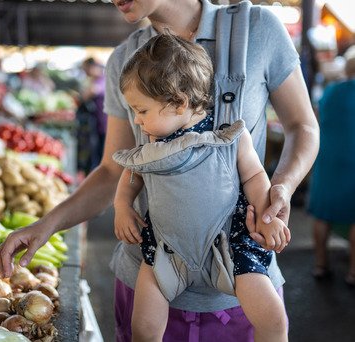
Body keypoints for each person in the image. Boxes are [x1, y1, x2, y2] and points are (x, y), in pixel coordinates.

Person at [0, 1, 320, 340]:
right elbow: (112, 170)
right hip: (150, 273)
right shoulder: (125, 60)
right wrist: (46, 226)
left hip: (239, 289)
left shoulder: (257, 29)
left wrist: (280, 188)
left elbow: (302, 126)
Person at [113, 32, 289, 342]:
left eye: (141, 110)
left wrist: (267, 216)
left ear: (178, 102)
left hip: (229, 244)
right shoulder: (149, 146)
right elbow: (132, 175)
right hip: (164, 248)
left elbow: (254, 177)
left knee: (273, 320)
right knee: (142, 327)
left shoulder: (230, 137)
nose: (137, 121)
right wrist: (122, 206)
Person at [308, 46, 355, 286]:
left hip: (327, 156)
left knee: (322, 212)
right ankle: (353, 272)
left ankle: (321, 264)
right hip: (352, 158)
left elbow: (315, 119)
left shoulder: (330, 91)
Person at [77, 57, 108, 174]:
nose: (86, 73)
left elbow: (89, 93)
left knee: (100, 154)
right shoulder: (97, 80)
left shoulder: (101, 80)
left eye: (86, 69)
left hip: (104, 123)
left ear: (92, 67)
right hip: (99, 123)